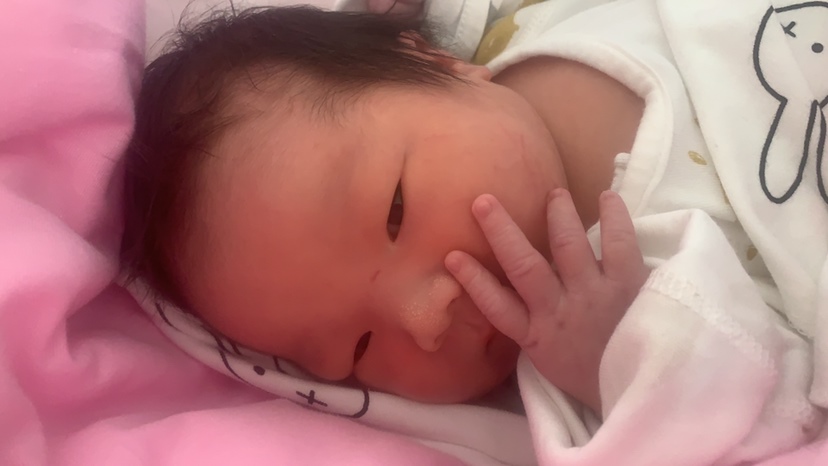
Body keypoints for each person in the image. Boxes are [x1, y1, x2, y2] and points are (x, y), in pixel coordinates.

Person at [121, 0, 828, 463]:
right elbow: (768, 427)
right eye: (359, 351)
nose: (426, 319)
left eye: (396, 211)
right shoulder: (574, 389)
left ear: (435, 60)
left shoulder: (513, 28)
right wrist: (629, 364)